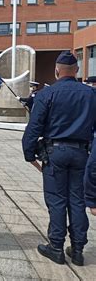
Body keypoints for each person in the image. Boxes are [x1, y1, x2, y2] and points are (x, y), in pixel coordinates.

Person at [22, 51, 96, 266]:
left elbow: (34, 127)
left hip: (55, 154)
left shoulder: (47, 94)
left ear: (56, 70)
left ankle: (56, 247)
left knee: (56, 201)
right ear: (78, 71)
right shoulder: (91, 95)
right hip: (82, 154)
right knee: (77, 201)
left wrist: (29, 154)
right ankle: (79, 248)